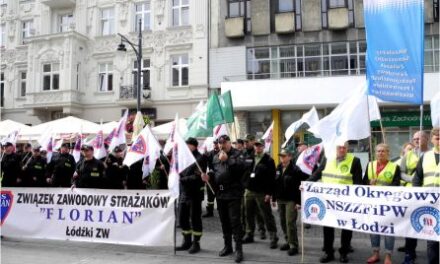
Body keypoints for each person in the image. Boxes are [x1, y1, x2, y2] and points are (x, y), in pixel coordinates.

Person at [308, 142, 363, 263]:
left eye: (344, 148)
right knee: (327, 228)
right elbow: (317, 174)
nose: (342, 150)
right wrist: (306, 184)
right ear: (335, 148)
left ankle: (344, 252)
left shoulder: (355, 161)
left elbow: (358, 182)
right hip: (328, 201)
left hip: (346, 202)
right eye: (340, 147)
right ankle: (328, 252)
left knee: (347, 228)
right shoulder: (327, 158)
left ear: (348, 149)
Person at [204, 135, 246, 263]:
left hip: (233, 193)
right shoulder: (216, 156)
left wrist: (228, 160)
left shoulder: (238, 154)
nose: (221, 145)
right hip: (221, 194)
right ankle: (228, 246)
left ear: (229, 142)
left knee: (235, 222)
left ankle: (238, 249)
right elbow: (215, 171)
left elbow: (241, 169)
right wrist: (208, 176)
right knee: (224, 221)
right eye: (220, 143)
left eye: (224, 143)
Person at [365, 144, 401, 264]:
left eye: (383, 151)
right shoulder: (370, 165)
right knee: (374, 228)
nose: (381, 153)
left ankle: (388, 256)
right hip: (373, 203)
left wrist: (384, 188)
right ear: (375, 153)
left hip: (388, 203)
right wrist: (369, 183)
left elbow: (396, 184)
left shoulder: (394, 166)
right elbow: (363, 182)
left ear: (388, 153)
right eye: (378, 151)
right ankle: (375, 253)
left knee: (388, 230)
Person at [399, 131, 429, 262]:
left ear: (426, 139)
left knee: (431, 223)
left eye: (419, 138)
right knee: (411, 223)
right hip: (411, 193)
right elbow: (401, 172)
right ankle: (410, 253)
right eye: (414, 138)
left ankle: (433, 253)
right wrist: (414, 179)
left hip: (429, 194)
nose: (416, 140)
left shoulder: (432, 154)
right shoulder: (409, 154)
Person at [242, 139, 279, 249]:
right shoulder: (249, 158)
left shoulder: (269, 160)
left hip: (262, 192)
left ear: (263, 147)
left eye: (260, 146)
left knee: (266, 215)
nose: (258, 148)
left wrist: (269, 193)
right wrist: (245, 184)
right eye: (256, 146)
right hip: (249, 191)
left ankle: (273, 236)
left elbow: (272, 179)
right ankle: (249, 234)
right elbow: (244, 172)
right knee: (248, 214)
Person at [411, 127, 439, 264]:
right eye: (437, 137)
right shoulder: (425, 157)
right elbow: (417, 179)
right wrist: (417, 197)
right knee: (432, 239)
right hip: (430, 204)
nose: (439, 140)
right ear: (432, 139)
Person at [176, 138, 207, 254]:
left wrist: (181, 179)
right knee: (182, 218)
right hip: (184, 192)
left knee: (195, 219)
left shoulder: (200, 158)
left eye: (187, 145)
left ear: (193, 146)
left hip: (194, 193)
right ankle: (187, 241)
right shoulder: (184, 157)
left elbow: (197, 177)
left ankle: (196, 243)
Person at [273, 148, 303, 256]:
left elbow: (299, 187)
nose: (282, 157)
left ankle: (293, 245)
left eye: (284, 156)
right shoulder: (278, 167)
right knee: (282, 221)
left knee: (290, 222)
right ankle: (288, 240)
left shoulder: (295, 170)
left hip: (291, 200)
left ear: (290, 157)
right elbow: (275, 184)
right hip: (280, 199)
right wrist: (273, 198)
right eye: (281, 155)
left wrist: (299, 202)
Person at [242, 134, 267, 240]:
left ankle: (262, 230)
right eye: (244, 142)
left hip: (258, 188)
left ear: (253, 141)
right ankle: (248, 232)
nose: (245, 144)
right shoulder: (243, 153)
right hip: (247, 187)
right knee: (247, 212)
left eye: (247, 142)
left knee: (259, 212)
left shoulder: (256, 153)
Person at [203, 139, 219, 217]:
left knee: (220, 194)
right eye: (214, 143)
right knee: (210, 196)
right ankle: (210, 211)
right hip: (211, 177)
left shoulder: (222, 153)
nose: (215, 145)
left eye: (216, 143)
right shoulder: (210, 153)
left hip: (219, 177)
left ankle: (221, 210)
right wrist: (204, 153)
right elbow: (204, 159)